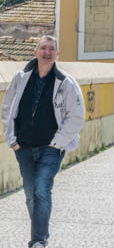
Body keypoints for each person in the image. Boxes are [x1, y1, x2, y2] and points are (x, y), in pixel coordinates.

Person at [2, 35, 85, 248]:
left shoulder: (66, 82)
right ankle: (40, 229)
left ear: (57, 54)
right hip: (24, 146)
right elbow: (7, 108)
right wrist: (12, 141)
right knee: (30, 194)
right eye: (43, 48)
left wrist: (57, 143)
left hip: (51, 147)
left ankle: (38, 240)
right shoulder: (21, 78)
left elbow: (76, 116)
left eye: (51, 49)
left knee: (41, 188)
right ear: (35, 52)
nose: (47, 52)